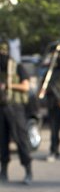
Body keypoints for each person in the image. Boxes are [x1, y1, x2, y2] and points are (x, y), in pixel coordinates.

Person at [0, 41, 33, 184]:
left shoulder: (17, 67)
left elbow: (26, 87)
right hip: (1, 108)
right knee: (2, 142)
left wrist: (8, 85)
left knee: (21, 139)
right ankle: (3, 171)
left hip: (15, 107)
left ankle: (28, 170)